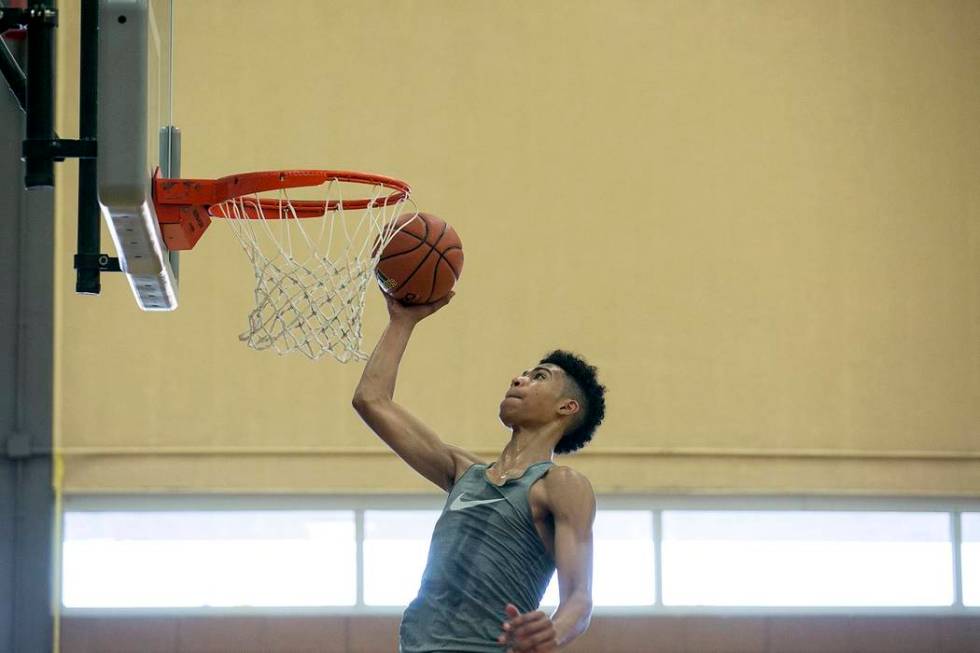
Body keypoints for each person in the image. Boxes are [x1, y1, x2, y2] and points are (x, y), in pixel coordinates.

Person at [352, 292, 606, 652]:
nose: (519, 380)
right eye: (523, 374)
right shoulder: (462, 472)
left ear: (566, 407)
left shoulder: (560, 485)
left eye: (538, 377)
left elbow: (580, 599)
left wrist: (555, 630)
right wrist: (401, 322)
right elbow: (371, 400)